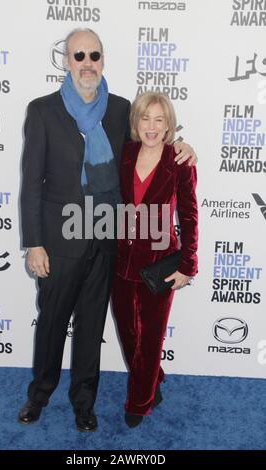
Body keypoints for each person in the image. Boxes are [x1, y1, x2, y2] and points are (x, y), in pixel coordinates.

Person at [18, 27, 197, 432]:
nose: (87, 64)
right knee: (51, 323)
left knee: (91, 326)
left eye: (94, 56)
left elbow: (154, 141)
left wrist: (186, 148)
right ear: (66, 61)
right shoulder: (43, 111)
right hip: (60, 241)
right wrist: (34, 244)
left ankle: (84, 401)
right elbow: (31, 183)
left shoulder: (119, 110)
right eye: (78, 56)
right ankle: (39, 394)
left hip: (107, 240)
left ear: (103, 61)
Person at [111, 91, 198, 428]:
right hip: (121, 261)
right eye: (145, 118)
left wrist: (187, 265)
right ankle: (153, 378)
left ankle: (140, 401)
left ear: (168, 127)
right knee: (128, 332)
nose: (151, 126)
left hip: (161, 264)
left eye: (159, 120)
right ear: (136, 122)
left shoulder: (179, 162)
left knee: (150, 339)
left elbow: (189, 217)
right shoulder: (125, 153)